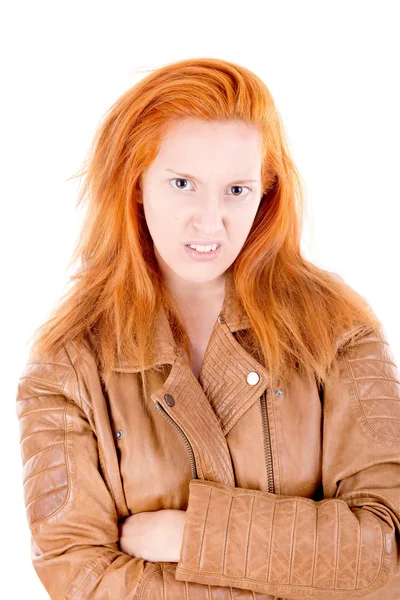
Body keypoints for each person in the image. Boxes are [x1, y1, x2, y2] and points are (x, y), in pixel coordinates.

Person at [15, 57, 400, 600]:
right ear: (137, 184)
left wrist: (190, 534)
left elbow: (385, 553)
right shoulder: (67, 364)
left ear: (265, 192)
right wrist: (301, 572)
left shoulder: (339, 331)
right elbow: (77, 573)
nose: (210, 220)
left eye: (236, 190)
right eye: (182, 183)